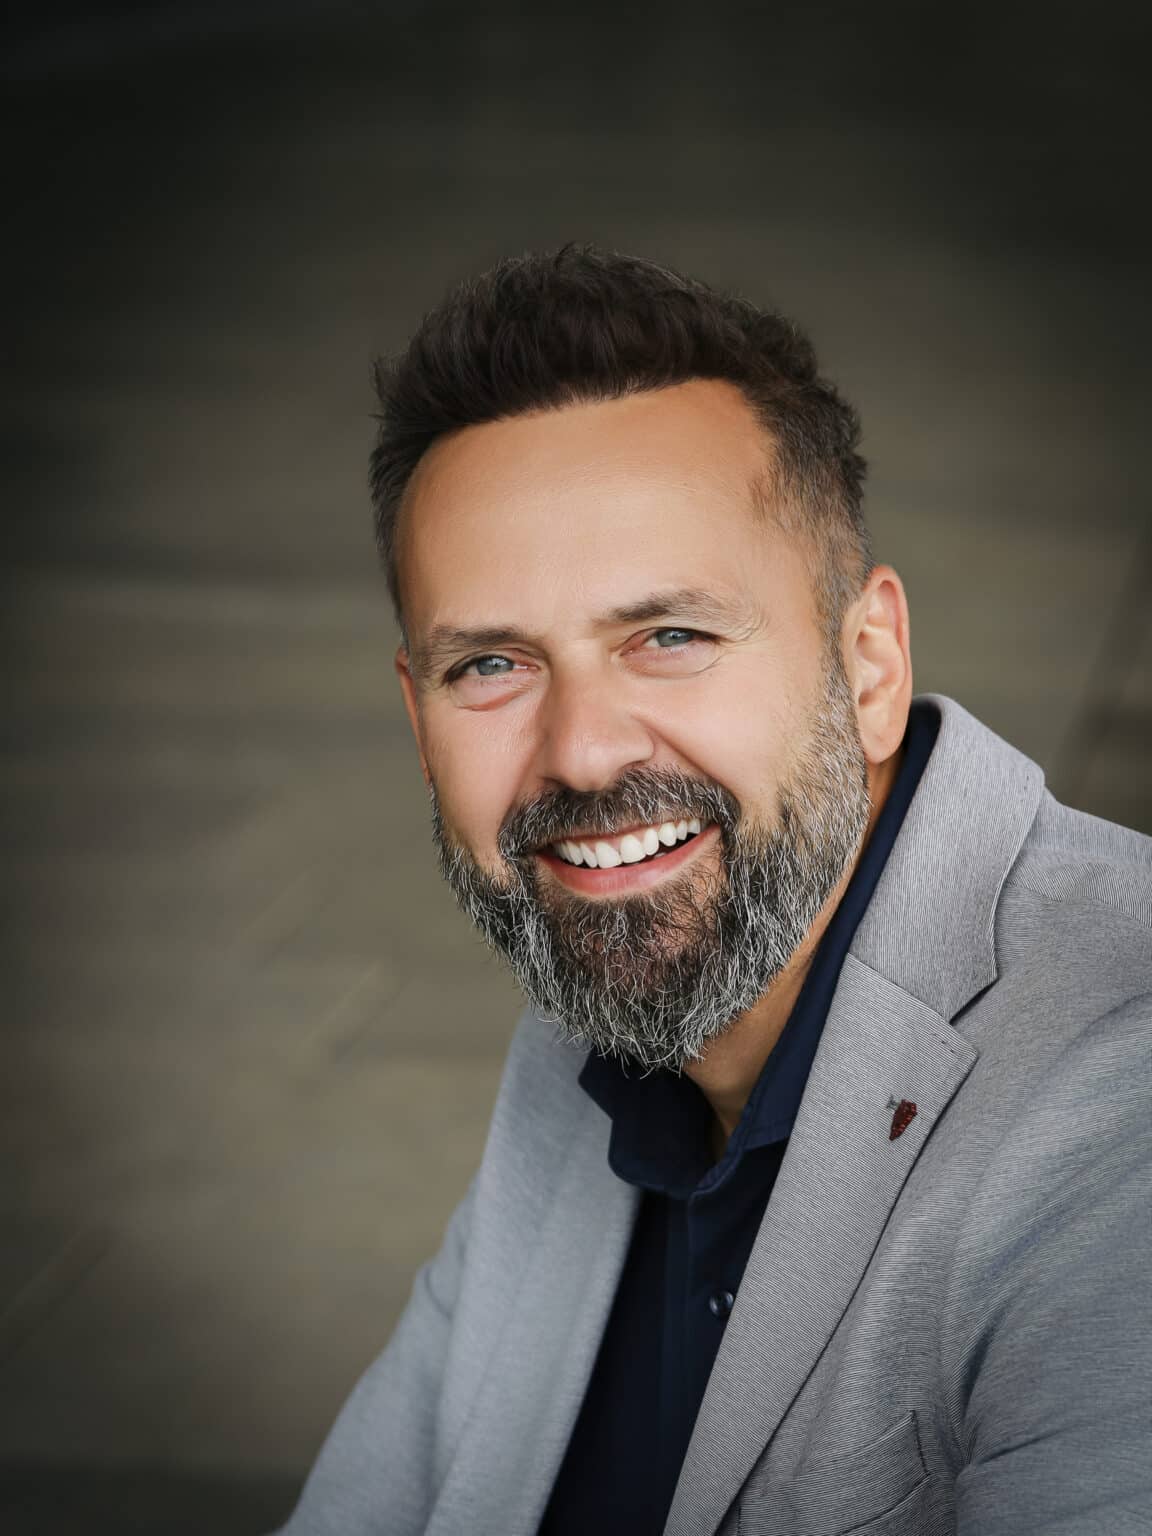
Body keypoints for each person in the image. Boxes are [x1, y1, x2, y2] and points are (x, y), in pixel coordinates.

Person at [277, 247, 1151, 1536]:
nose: (583, 752)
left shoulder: (1121, 1095)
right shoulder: (588, 1041)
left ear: (869, 666)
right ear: (419, 721)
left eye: (670, 637)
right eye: (492, 667)